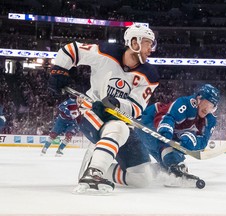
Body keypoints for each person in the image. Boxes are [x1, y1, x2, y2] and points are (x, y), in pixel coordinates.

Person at [48, 24, 159, 194]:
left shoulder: (150, 75)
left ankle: (97, 166)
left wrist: (116, 104)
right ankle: (95, 171)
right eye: (148, 43)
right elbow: (71, 49)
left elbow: (136, 108)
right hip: (91, 109)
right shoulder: (105, 52)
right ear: (134, 42)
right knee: (117, 128)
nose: (151, 49)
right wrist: (59, 69)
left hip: (119, 118)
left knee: (142, 178)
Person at [138, 84, 220, 186]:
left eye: (212, 107)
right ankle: (172, 165)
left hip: (166, 136)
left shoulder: (210, 120)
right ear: (199, 99)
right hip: (149, 121)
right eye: (207, 104)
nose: (207, 109)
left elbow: (203, 142)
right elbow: (168, 117)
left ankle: (148, 172)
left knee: (170, 165)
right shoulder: (185, 104)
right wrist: (165, 134)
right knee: (169, 157)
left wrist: (191, 142)